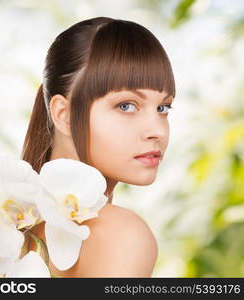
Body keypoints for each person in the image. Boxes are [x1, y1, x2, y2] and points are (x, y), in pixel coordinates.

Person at [21, 16, 176, 277]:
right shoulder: (122, 235)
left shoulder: (20, 233)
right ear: (64, 114)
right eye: (126, 105)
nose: (158, 131)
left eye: (163, 108)